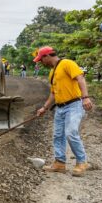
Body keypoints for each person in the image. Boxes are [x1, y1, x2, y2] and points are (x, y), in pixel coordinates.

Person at [34, 46, 94, 176]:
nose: (41, 62)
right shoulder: (52, 72)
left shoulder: (67, 63)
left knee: (71, 133)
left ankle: (81, 162)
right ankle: (60, 163)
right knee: (58, 135)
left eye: (41, 59)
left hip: (74, 105)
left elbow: (80, 79)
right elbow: (53, 93)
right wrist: (44, 107)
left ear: (47, 56)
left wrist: (85, 98)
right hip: (60, 108)